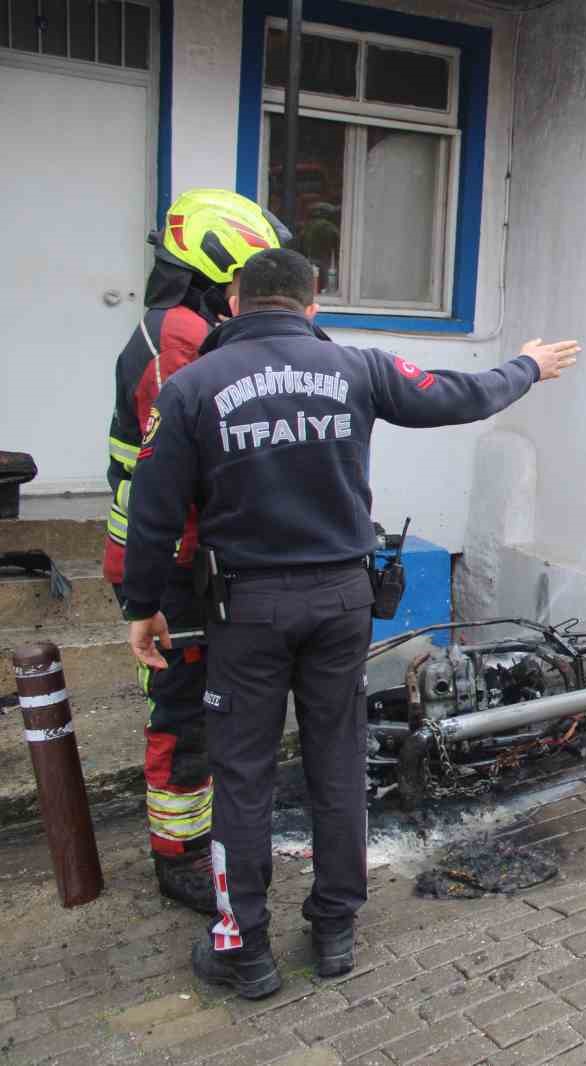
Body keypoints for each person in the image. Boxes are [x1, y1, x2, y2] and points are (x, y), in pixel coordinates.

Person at [121, 248, 580, 999]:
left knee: (243, 776)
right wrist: (526, 365)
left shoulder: (193, 385)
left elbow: (153, 514)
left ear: (233, 302)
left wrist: (143, 608)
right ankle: (335, 930)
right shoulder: (357, 368)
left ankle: (246, 950)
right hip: (341, 602)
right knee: (336, 763)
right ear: (313, 304)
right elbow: (459, 395)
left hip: (248, 610)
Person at [102, 189, 288, 914]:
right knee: (182, 714)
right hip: (170, 566)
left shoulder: (192, 323)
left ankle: (210, 836)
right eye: (243, 285)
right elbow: (189, 455)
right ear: (216, 270)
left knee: (215, 706)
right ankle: (178, 858)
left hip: (195, 558)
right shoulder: (175, 334)